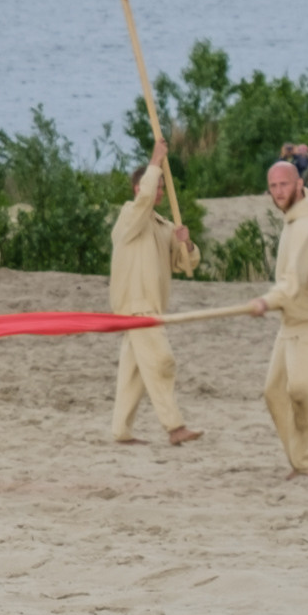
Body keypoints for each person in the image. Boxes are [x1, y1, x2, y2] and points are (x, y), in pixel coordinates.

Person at [250, 159, 308, 476]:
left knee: (302, 390)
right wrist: (273, 301)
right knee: (274, 392)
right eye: (273, 186)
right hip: (293, 319)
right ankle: (301, 461)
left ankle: (306, 464)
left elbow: (293, 282)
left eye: (284, 184)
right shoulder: (294, 219)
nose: (279, 191)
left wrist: (267, 301)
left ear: (300, 185)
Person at [109, 139, 202, 446]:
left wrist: (186, 243)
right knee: (162, 362)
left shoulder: (162, 225)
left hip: (151, 306)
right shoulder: (129, 218)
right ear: (140, 188)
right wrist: (155, 160)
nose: (160, 191)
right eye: (157, 186)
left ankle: (120, 431)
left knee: (134, 374)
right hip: (137, 305)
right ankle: (174, 427)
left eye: (163, 187)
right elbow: (145, 199)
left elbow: (184, 264)